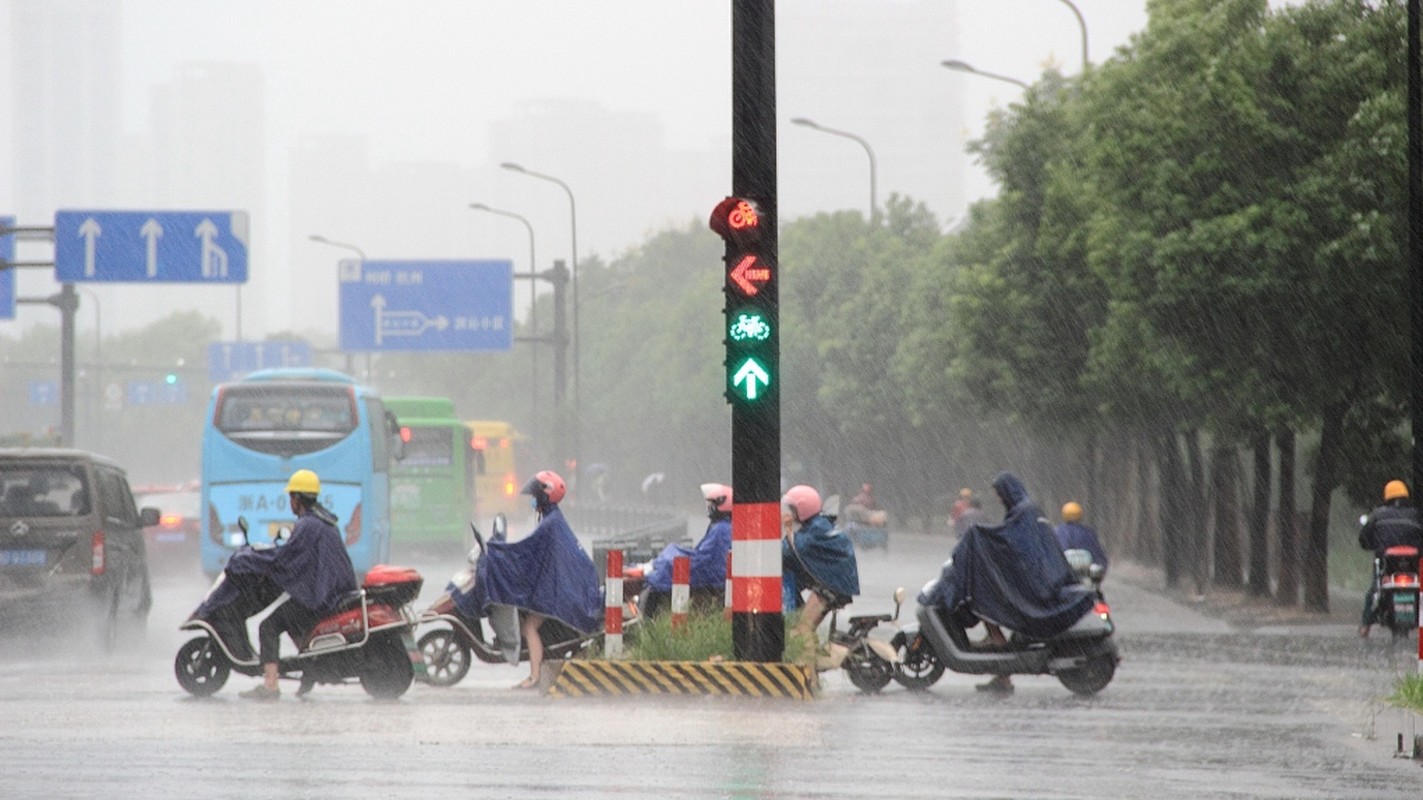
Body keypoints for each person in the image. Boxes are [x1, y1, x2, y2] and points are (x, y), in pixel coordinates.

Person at [918, 471, 1094, 695]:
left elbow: (1009, 538)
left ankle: (996, 639)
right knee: (987, 591)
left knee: (982, 595)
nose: (999, 499)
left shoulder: (1023, 512)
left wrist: (979, 536)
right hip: (1038, 575)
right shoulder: (1027, 510)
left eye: (1000, 494)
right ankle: (1001, 670)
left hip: (1036, 581)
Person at [231, 469, 357, 700]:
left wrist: (251, 560)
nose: (290, 501)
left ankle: (270, 685)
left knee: (269, 626)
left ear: (297, 498)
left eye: (291, 497)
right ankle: (310, 667)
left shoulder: (308, 525)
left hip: (321, 596)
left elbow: (285, 558)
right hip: (333, 591)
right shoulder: (325, 521)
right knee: (290, 616)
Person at [472, 470, 601, 689]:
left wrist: (496, 551)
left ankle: (534, 676)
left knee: (529, 628)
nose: (532, 501)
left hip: (557, 589)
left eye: (534, 496)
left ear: (544, 496)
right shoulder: (552, 520)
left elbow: (524, 550)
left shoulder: (549, 524)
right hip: (560, 585)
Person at [638, 483, 733, 616]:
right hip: (716, 577)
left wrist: (669, 564)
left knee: (666, 568)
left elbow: (703, 558)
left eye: (711, 504)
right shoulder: (725, 527)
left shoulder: (720, 529)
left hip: (711, 579)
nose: (709, 508)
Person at [780, 485, 859, 640]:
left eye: (792, 508)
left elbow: (797, 547)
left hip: (832, 585)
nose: (790, 512)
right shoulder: (817, 524)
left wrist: (788, 529)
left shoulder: (817, 527)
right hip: (833, 582)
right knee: (801, 625)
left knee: (801, 631)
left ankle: (808, 662)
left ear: (802, 508)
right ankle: (811, 655)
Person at [1358, 479, 1423, 638]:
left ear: (1386, 496)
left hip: (1388, 564)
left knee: (1374, 590)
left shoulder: (1378, 514)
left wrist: (1374, 545)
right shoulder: (1416, 514)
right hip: (1413, 564)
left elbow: (1364, 539)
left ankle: (1365, 626)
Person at [1054, 501, 1109, 577]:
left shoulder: (1057, 531)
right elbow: (1098, 554)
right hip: (1086, 574)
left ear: (1064, 514)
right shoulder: (1089, 533)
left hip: (1063, 574)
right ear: (1080, 515)